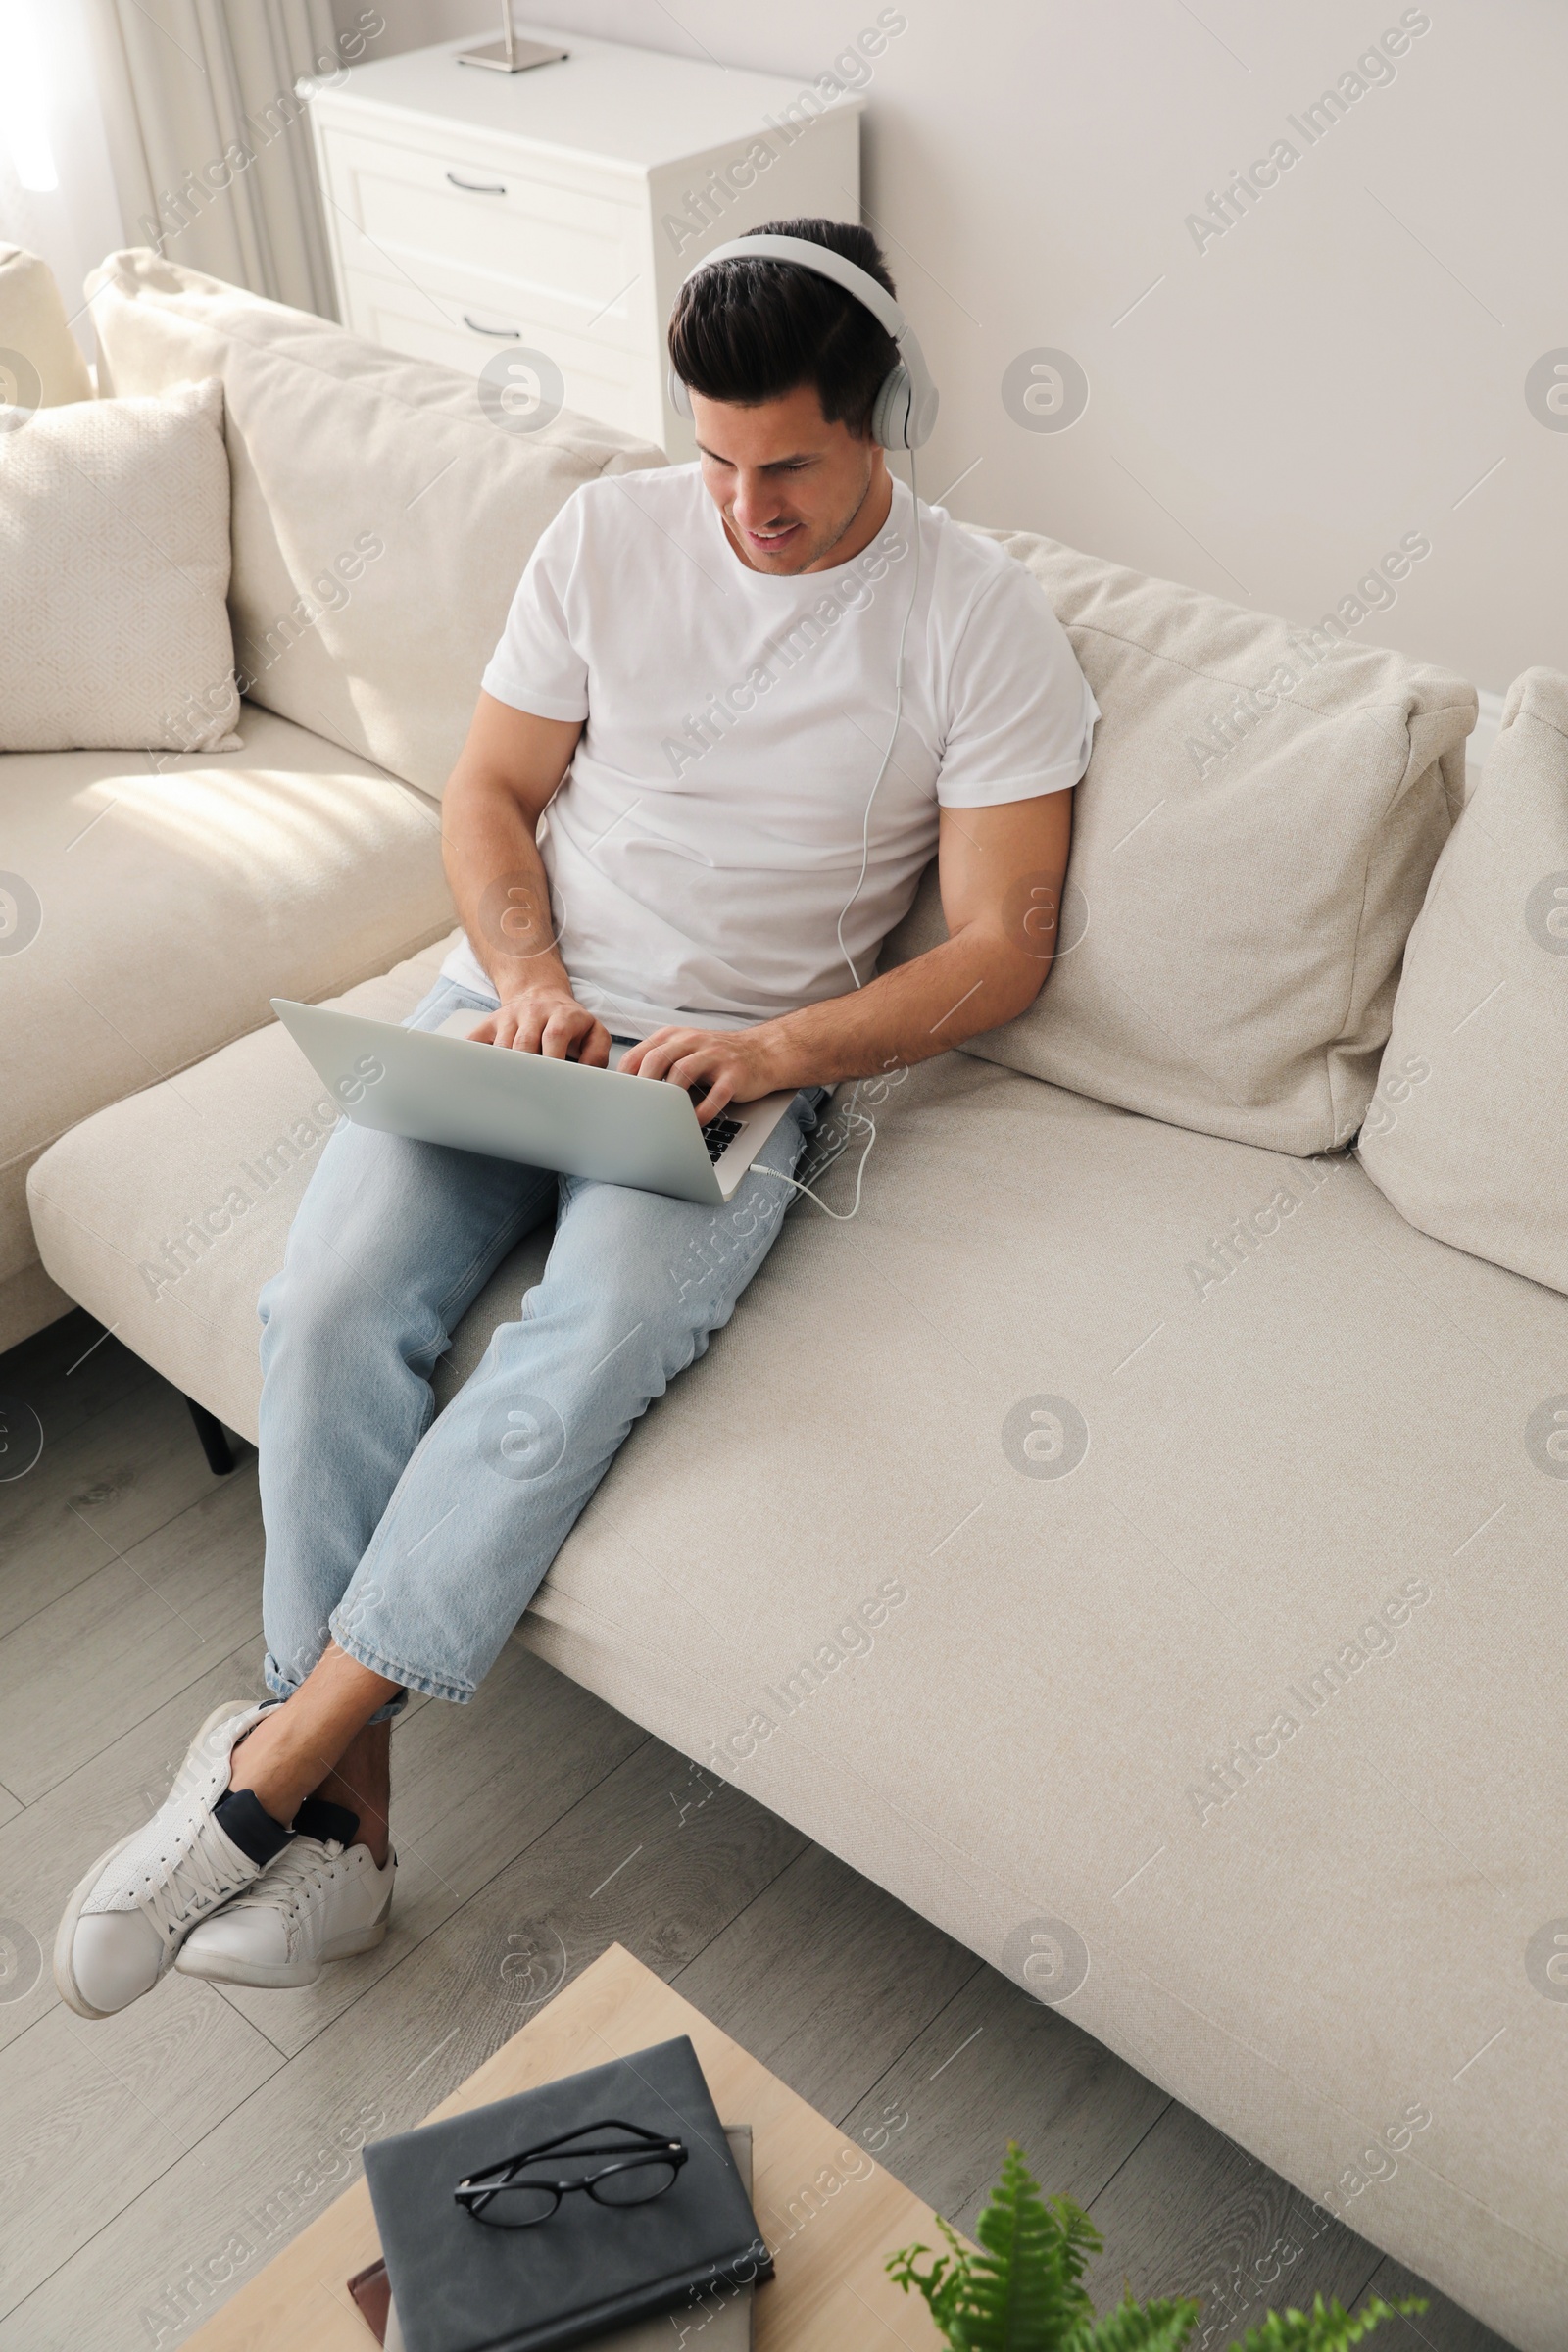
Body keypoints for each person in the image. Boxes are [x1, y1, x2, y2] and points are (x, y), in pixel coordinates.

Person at [54, 218, 1098, 2018]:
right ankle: (340, 1834)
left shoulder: (976, 621)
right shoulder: (613, 533)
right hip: (515, 1015)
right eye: (715, 458)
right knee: (323, 1313)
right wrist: (525, 969)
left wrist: (774, 1055)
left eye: (789, 465)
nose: (744, 508)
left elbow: (1006, 944)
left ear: (887, 418)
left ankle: (260, 1786)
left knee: (582, 1345)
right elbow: (491, 788)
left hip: (734, 1073)